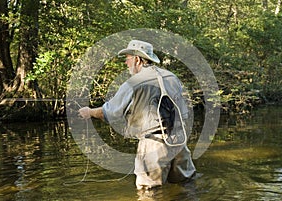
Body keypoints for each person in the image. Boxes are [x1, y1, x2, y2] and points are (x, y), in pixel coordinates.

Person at [78, 40, 196, 190]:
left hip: (153, 145)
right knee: (186, 187)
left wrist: (89, 112)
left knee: (149, 192)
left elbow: (110, 112)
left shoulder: (133, 82)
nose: (126, 63)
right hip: (179, 140)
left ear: (138, 59)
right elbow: (184, 112)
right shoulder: (172, 77)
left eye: (127, 58)